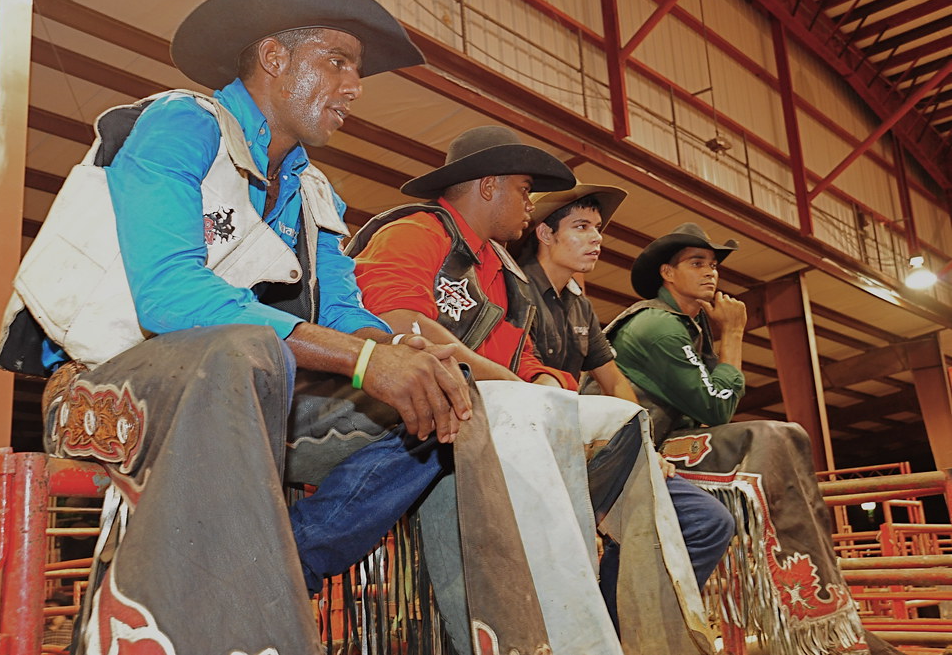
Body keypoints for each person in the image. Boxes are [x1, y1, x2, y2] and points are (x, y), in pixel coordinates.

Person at [0, 0, 546, 655]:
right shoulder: (182, 123)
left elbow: (345, 311)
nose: (354, 87)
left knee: (450, 396)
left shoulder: (314, 190)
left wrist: (399, 354)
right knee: (244, 347)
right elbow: (169, 294)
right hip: (98, 386)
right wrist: (364, 360)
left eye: (356, 72)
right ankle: (251, 603)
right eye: (337, 61)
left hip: (244, 392)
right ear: (274, 57)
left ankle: (285, 564)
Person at [348, 127, 716, 655]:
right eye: (524, 189)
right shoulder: (416, 230)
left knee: (627, 447)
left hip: (474, 420)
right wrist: (517, 384)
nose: (529, 202)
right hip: (405, 413)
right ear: (489, 185)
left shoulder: (502, 272)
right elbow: (394, 319)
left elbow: (522, 361)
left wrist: (539, 382)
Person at [598, 222, 884, 655]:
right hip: (619, 448)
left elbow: (712, 405)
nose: (710, 272)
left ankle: (632, 626)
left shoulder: (689, 324)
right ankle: (654, 626)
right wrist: (734, 334)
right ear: (667, 273)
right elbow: (718, 408)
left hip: (655, 444)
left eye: (713, 265)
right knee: (772, 439)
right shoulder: (657, 325)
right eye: (697, 263)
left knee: (775, 445)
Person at [517, 185, 734, 634]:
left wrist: (644, 446)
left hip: (588, 448)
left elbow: (615, 382)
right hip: (534, 449)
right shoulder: (513, 290)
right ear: (545, 233)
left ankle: (626, 631)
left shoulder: (579, 306)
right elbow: (717, 407)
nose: (596, 238)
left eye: (597, 228)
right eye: (581, 227)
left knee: (709, 521)